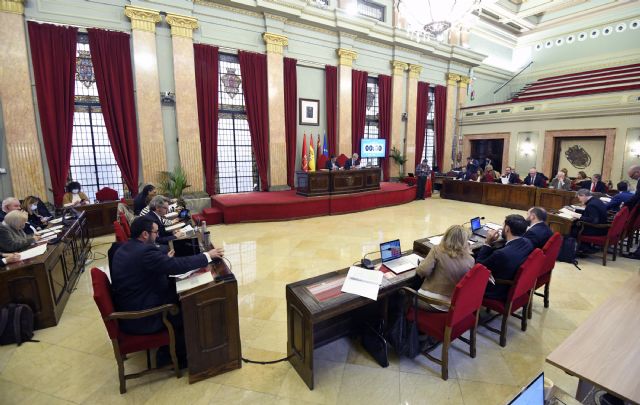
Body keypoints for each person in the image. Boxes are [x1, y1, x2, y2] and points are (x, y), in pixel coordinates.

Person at [110, 216, 224, 364]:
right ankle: (178, 355)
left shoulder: (123, 248)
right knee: (189, 305)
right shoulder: (145, 252)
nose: (158, 235)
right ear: (145, 234)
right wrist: (207, 255)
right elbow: (176, 266)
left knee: (180, 290)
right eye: (155, 232)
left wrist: (163, 260)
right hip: (143, 316)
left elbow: (146, 267)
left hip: (133, 302)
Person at [415, 225, 474, 311]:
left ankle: (401, 318)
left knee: (402, 294)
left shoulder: (437, 250)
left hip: (431, 301)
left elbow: (423, 271)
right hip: (451, 305)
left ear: (446, 236)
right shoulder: (471, 260)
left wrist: (421, 264)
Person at [475, 214, 534, 300]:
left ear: (507, 229)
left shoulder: (501, 254)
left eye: (503, 226)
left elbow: (479, 267)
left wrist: (487, 243)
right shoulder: (528, 243)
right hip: (517, 286)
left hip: (497, 290)